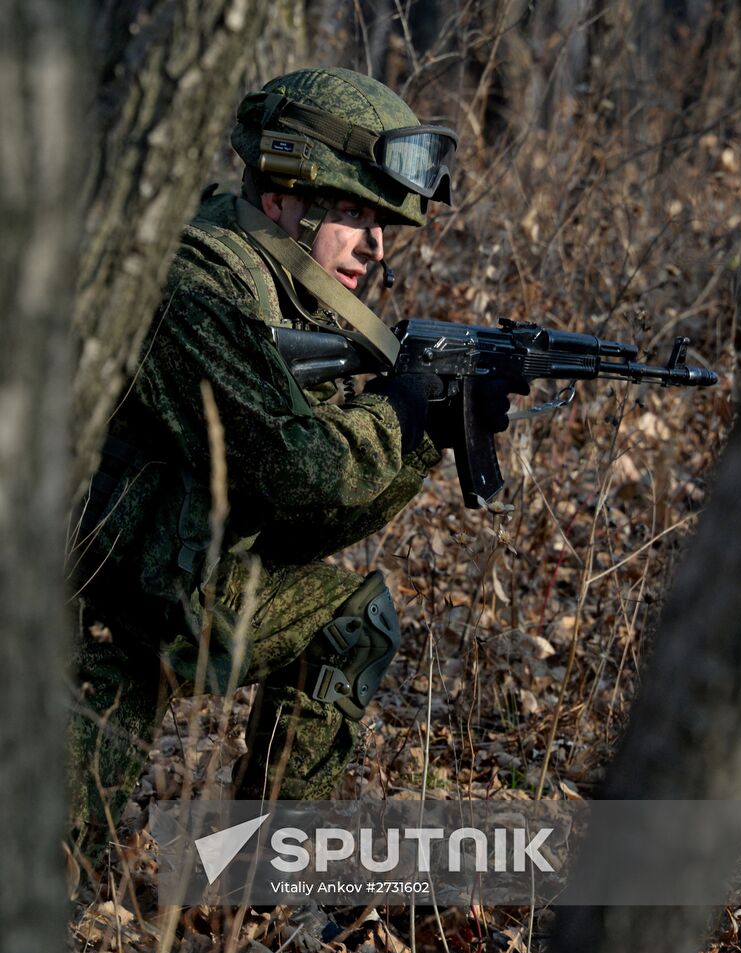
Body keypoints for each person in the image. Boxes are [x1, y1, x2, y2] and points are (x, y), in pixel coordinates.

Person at [69, 67, 508, 857]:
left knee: (350, 622)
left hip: (164, 598)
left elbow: (301, 526)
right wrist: (398, 410)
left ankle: (268, 875)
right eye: (354, 213)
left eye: (383, 223)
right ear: (281, 199)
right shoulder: (200, 290)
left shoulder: (280, 300)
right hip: (84, 624)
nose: (375, 245)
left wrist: (426, 432)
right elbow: (298, 469)